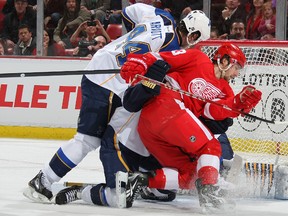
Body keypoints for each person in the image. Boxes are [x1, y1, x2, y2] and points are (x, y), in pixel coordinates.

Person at [23, 3, 209, 204]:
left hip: (100, 65)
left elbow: (130, 11)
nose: (191, 45)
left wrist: (131, 39)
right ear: (193, 35)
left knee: (109, 134)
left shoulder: (162, 16)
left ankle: (140, 180)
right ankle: (44, 180)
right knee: (88, 140)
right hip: (110, 82)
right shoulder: (172, 49)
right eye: (195, 40)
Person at [120, 43, 262, 211]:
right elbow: (162, 58)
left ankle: (138, 180)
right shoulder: (198, 58)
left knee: (192, 175)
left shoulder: (226, 90)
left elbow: (210, 111)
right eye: (236, 67)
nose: (236, 73)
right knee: (211, 146)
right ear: (225, 61)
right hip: (164, 105)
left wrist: (236, 104)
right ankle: (209, 193)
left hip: (156, 130)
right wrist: (142, 62)